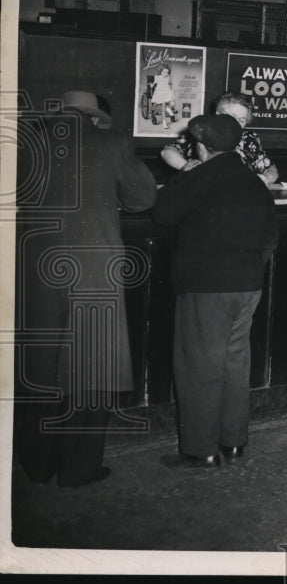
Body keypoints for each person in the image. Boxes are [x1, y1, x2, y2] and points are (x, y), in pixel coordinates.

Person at [15, 90, 157, 487]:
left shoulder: (29, 142)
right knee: (92, 368)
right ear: (95, 118)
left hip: (35, 272)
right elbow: (143, 199)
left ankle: (37, 464)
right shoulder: (111, 143)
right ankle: (79, 469)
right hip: (93, 272)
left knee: (40, 366)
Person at [152, 114, 278, 468]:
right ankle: (234, 441)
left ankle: (201, 449)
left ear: (201, 146)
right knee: (235, 362)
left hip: (206, 286)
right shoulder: (253, 181)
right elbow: (271, 234)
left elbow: (162, 213)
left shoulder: (198, 177)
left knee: (199, 365)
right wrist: (250, 270)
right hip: (248, 285)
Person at [161, 92, 279, 185]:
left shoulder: (249, 138)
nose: (235, 124)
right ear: (217, 114)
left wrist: (266, 178)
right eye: (232, 117)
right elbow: (167, 152)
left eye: (241, 120)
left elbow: (271, 168)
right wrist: (185, 166)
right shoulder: (201, 132)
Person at [151, 64, 179, 129]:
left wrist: (170, 86)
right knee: (162, 104)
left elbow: (170, 84)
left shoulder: (168, 77)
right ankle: (166, 118)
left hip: (166, 92)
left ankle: (167, 117)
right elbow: (153, 84)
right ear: (160, 71)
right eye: (164, 72)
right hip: (159, 93)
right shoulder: (158, 77)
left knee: (167, 104)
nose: (166, 73)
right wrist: (151, 85)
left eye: (167, 72)